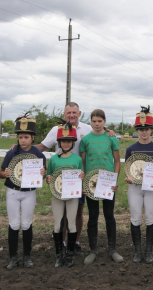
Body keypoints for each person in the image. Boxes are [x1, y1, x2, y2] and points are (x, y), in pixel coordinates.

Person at [36, 102, 114, 255]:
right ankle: (63, 244)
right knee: (62, 213)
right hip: (60, 178)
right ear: (65, 114)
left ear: (79, 113)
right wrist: (21, 148)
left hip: (79, 177)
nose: (71, 115)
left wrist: (110, 131)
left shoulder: (87, 128)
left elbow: (99, 131)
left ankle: (76, 242)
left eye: (74, 112)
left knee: (77, 211)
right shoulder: (56, 130)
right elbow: (42, 147)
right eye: (68, 113)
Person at [0, 114, 46, 269]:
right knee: (13, 223)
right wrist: (3, 174)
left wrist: (43, 174)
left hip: (29, 192)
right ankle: (13, 257)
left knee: (26, 223)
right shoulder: (11, 153)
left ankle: (27, 256)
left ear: (32, 138)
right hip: (12, 191)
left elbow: (42, 173)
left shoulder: (38, 154)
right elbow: (1, 172)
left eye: (26, 137)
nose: (23, 140)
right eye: (20, 137)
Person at [80, 109, 123, 265]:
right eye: (94, 121)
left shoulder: (112, 138)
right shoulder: (85, 140)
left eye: (99, 121)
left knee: (109, 215)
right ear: (91, 122)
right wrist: (83, 183)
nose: (97, 124)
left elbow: (117, 161)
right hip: (91, 184)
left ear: (104, 121)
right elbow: (83, 163)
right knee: (92, 216)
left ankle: (113, 250)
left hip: (107, 183)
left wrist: (115, 180)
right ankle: (93, 250)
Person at [124, 106, 153, 264]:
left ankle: (148, 251)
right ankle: (137, 251)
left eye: (147, 128)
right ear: (137, 130)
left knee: (150, 217)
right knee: (135, 218)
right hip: (135, 187)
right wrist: (128, 178)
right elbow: (128, 170)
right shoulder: (130, 149)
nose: (144, 132)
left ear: (151, 129)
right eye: (141, 129)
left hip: (151, 189)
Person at [45, 120, 84, 268]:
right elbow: (50, 176)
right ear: (59, 143)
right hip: (57, 195)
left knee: (72, 224)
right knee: (57, 225)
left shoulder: (77, 159)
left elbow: (81, 174)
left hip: (72, 195)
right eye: (63, 141)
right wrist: (48, 178)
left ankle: (69, 254)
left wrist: (81, 176)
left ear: (73, 143)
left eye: (68, 141)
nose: (66, 144)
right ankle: (59, 254)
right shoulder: (54, 159)